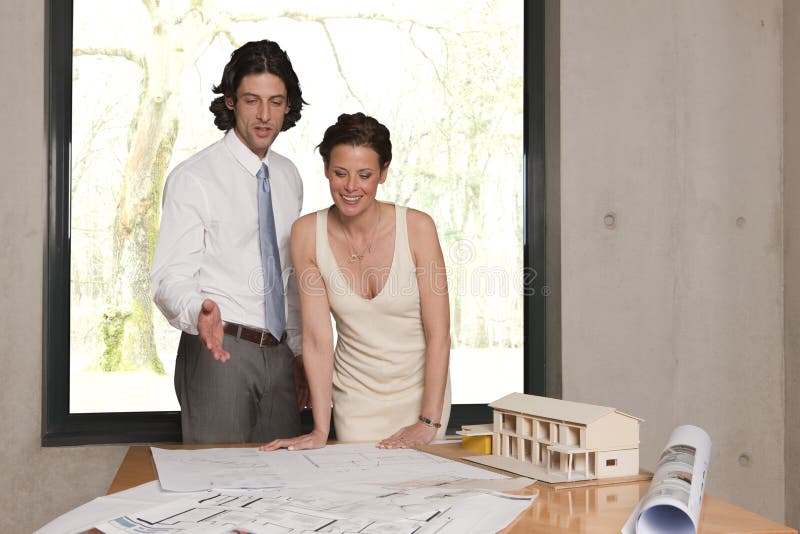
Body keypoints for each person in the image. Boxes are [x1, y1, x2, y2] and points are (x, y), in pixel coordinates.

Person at [260, 112, 451, 451]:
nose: (350, 187)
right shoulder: (306, 234)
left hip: (422, 398)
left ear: (383, 173)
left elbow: (439, 335)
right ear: (325, 170)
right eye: (340, 173)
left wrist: (427, 422)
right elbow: (318, 339)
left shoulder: (419, 229)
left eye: (364, 175)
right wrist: (320, 430)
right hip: (354, 398)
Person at [150, 40, 309, 444]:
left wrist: (301, 350)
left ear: (289, 106)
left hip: (280, 355)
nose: (264, 114)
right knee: (215, 488)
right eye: (252, 100)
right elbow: (170, 275)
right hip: (221, 351)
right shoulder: (194, 178)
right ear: (231, 102)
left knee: (282, 489)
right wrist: (197, 311)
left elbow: (288, 279)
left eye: (275, 102)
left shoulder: (289, 177)